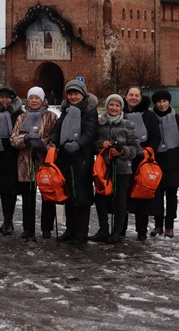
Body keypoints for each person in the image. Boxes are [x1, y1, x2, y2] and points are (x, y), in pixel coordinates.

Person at [49, 79, 98, 246]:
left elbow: (90, 132)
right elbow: (57, 129)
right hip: (65, 158)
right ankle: (70, 230)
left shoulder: (89, 111)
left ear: (82, 94)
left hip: (81, 159)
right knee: (68, 195)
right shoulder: (66, 111)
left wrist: (77, 144)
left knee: (81, 197)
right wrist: (53, 142)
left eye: (76, 93)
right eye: (70, 93)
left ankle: (81, 233)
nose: (73, 96)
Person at [89, 94, 141, 244]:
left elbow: (136, 148)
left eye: (117, 105)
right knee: (100, 198)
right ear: (107, 106)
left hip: (122, 168)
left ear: (121, 108)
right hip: (103, 168)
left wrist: (123, 150)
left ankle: (117, 231)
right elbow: (92, 144)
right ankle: (103, 229)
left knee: (120, 200)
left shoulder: (127, 124)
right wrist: (100, 144)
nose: (114, 108)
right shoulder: (100, 124)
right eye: (111, 105)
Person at [10, 87, 58, 239]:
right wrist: (25, 139)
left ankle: (46, 228)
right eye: (31, 98)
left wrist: (42, 143)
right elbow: (13, 139)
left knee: (47, 196)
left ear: (43, 100)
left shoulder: (51, 116)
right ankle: (28, 228)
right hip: (26, 162)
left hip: (45, 162)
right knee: (28, 197)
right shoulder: (22, 117)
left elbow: (54, 138)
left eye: (37, 98)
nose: (34, 100)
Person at [151, 89, 179, 238]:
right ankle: (158, 225)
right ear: (155, 103)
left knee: (171, 195)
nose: (162, 104)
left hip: (175, 160)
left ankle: (169, 226)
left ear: (169, 102)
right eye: (159, 102)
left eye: (164, 101)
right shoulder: (151, 118)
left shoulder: (178, 119)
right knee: (156, 195)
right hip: (157, 160)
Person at [124, 86, 161, 241]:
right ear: (126, 97)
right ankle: (120, 229)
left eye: (136, 95)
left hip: (142, 161)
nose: (133, 98)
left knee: (142, 195)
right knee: (123, 196)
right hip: (124, 159)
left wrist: (147, 150)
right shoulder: (121, 112)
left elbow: (155, 136)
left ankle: (141, 231)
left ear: (141, 97)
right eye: (130, 95)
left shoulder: (149, 115)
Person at [0, 86, 23, 236]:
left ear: (12, 99)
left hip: (14, 154)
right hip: (0, 154)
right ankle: (5, 220)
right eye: (2, 97)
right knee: (3, 189)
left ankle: (9, 220)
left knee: (12, 189)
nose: (4, 100)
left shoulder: (20, 114)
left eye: (8, 97)